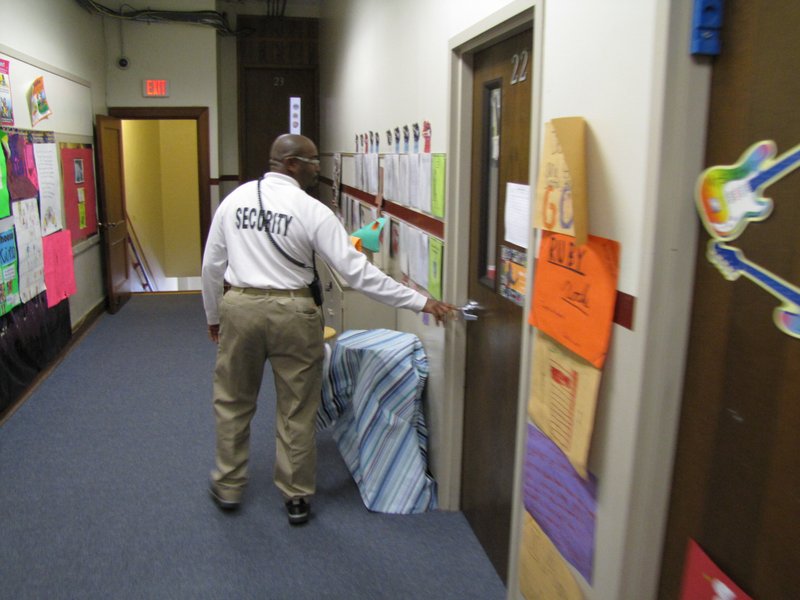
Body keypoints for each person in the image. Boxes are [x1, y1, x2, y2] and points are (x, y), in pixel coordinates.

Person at [201, 133, 457, 525]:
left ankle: (228, 484)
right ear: (290, 164)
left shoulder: (233, 202)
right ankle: (296, 497)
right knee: (297, 409)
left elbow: (211, 267)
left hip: (241, 308)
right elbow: (358, 272)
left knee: (233, 402)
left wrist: (214, 316)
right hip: (295, 313)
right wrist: (421, 301)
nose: (318, 166)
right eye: (311, 160)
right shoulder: (312, 210)